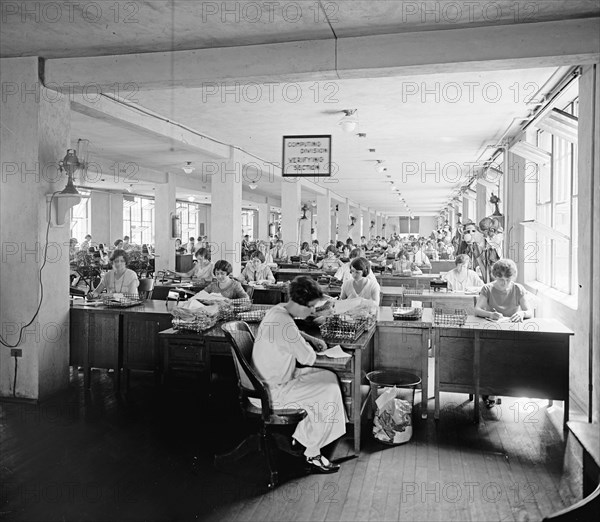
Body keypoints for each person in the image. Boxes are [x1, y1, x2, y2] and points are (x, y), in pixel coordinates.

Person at [252, 276, 345, 474]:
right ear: (299, 303)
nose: (313, 311)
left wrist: (310, 337)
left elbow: (292, 332)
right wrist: (340, 360)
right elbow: (309, 357)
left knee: (328, 378)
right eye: (311, 307)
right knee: (328, 389)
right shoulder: (284, 323)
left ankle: (304, 438)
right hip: (272, 392)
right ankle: (312, 452)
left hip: (272, 379)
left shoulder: (278, 310)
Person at [474, 258, 532, 408]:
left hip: (511, 330)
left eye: (507, 279)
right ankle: (491, 390)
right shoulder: (487, 288)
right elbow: (477, 310)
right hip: (492, 330)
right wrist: (489, 315)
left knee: (510, 358)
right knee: (492, 356)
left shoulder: (518, 289)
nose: (504, 283)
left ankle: (502, 388)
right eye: (500, 279)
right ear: (495, 276)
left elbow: (529, 311)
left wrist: (522, 314)